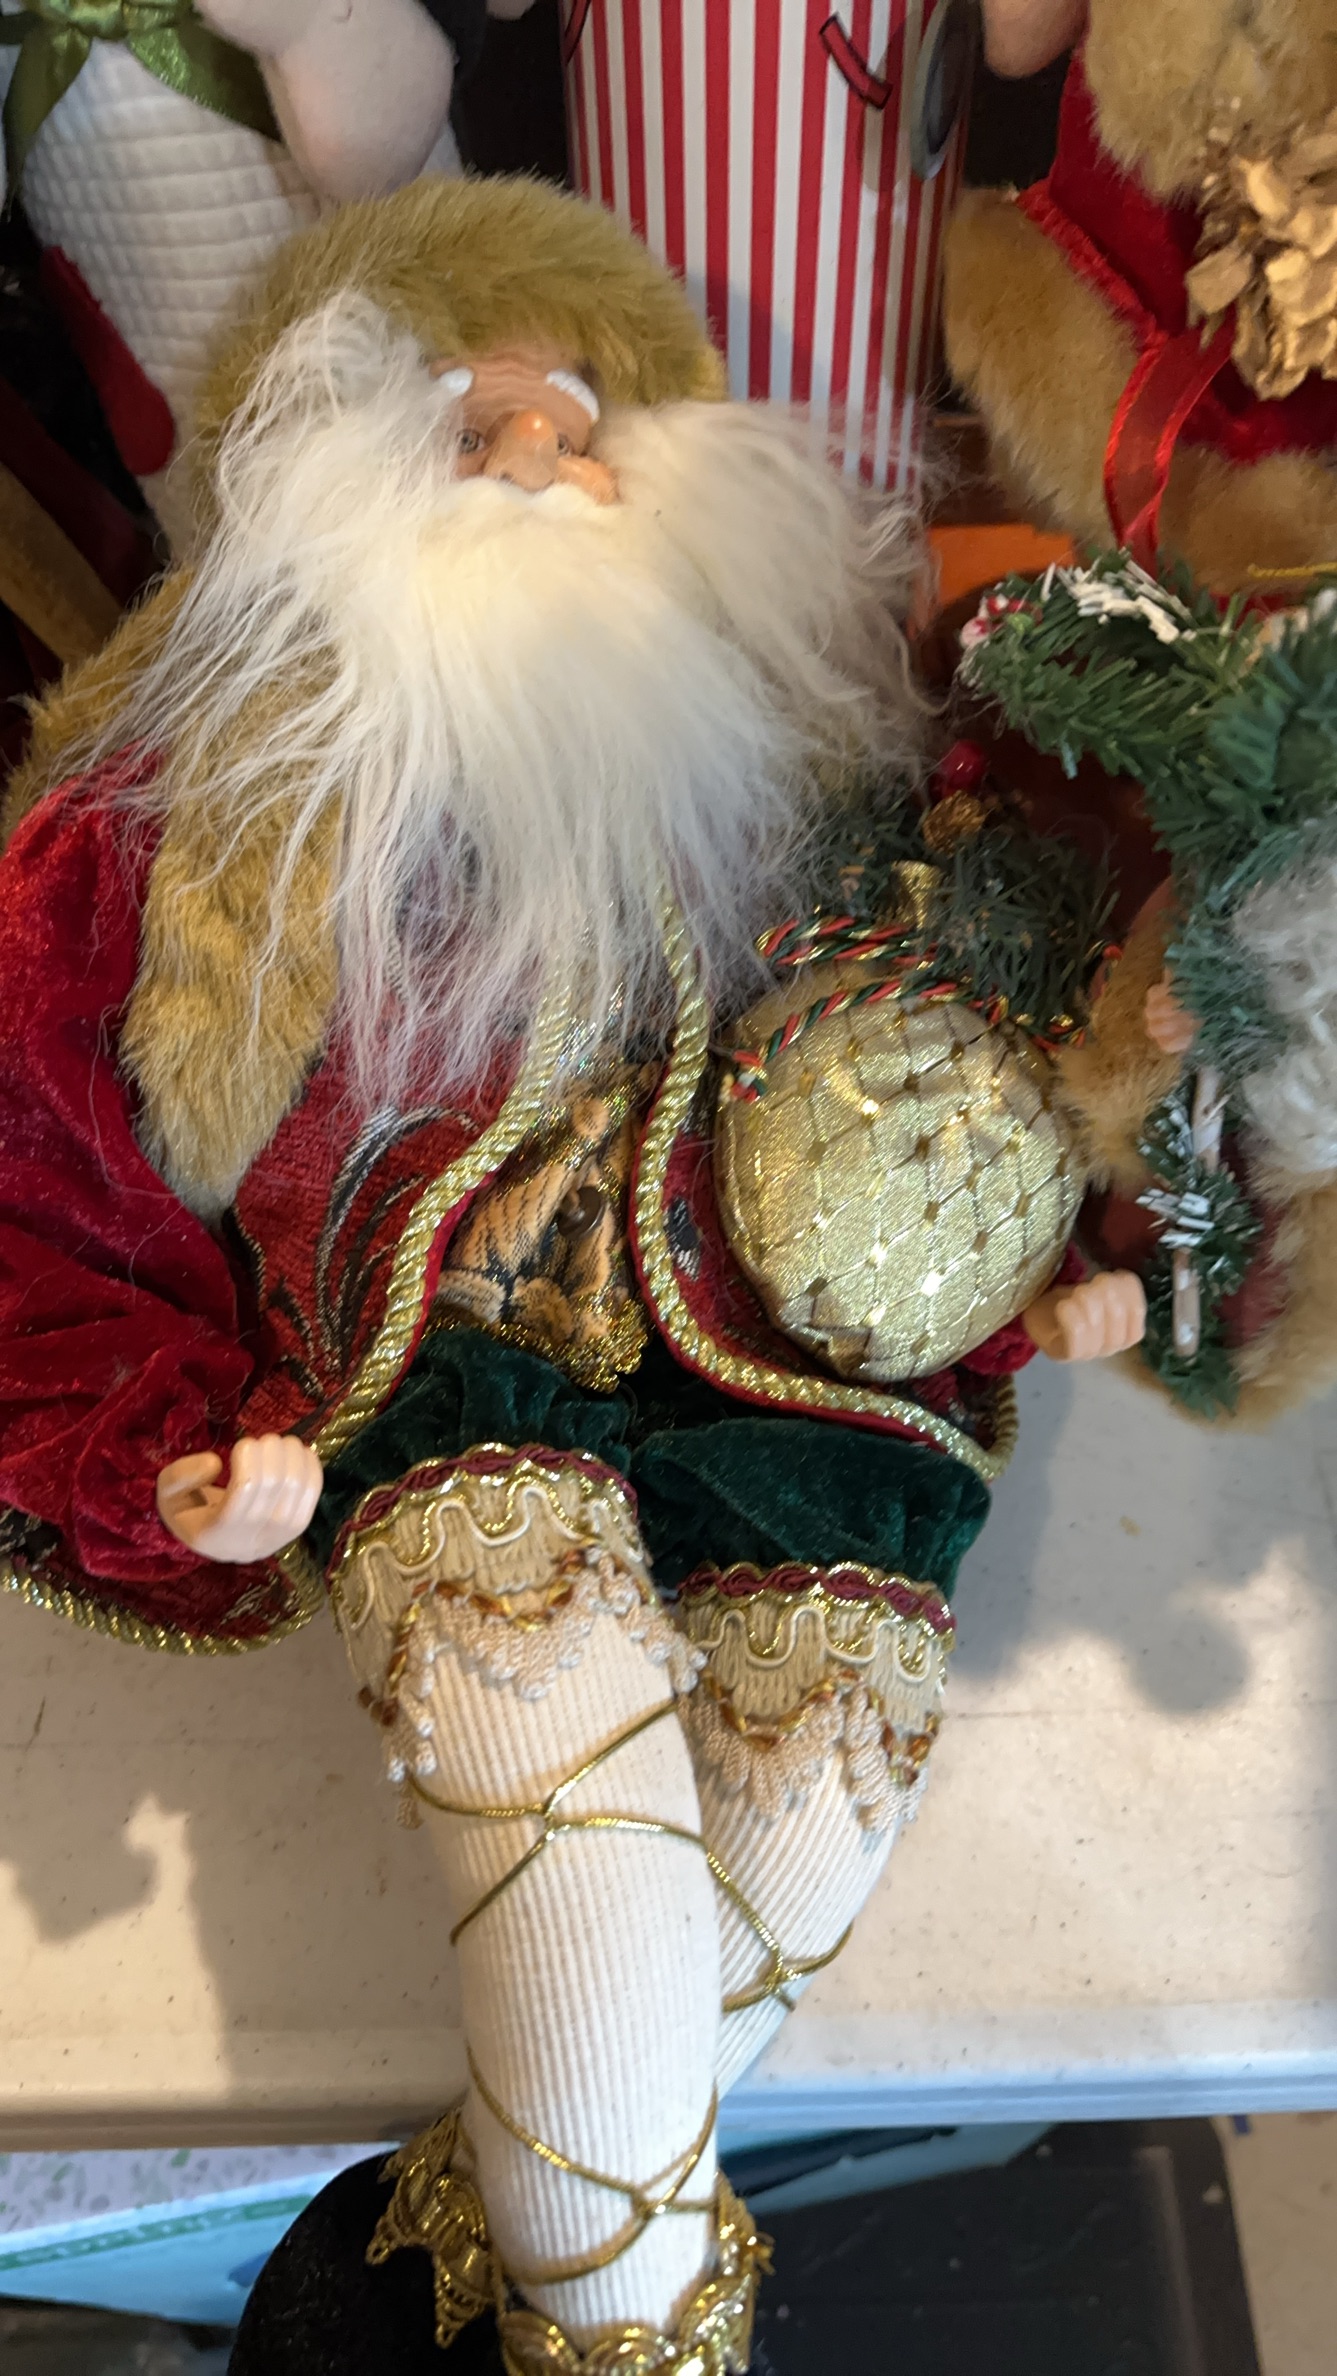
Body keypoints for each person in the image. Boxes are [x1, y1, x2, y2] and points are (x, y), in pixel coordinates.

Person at [0, 174, 1143, 2369]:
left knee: (807, 1814)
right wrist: (166, 1445)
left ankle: (450, 2265)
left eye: (580, 428)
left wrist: (1064, 1252)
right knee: (582, 1831)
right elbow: (33, 1161)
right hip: (457, 1375)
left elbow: (966, 1030)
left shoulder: (810, 759)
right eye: (478, 424)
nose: (538, 464)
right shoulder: (205, 799)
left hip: (805, 1384)